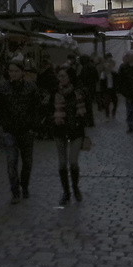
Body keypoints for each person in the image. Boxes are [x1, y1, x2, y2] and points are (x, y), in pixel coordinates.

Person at [0, 61, 42, 203]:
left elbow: (36, 109)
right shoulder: (3, 88)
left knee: (27, 163)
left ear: (22, 72)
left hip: (26, 130)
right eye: (10, 71)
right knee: (11, 162)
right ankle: (15, 191)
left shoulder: (31, 88)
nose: (12, 74)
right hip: (9, 130)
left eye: (15, 71)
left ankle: (24, 186)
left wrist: (34, 127)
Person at [44, 59, 93, 205]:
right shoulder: (54, 93)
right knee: (62, 163)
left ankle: (75, 188)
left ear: (70, 77)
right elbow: (48, 110)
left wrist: (85, 124)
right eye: (59, 76)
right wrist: (50, 122)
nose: (61, 79)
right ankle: (66, 192)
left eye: (63, 76)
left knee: (73, 162)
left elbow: (88, 110)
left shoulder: (79, 92)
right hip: (59, 129)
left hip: (76, 129)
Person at [115, 52, 133, 133]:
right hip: (129, 94)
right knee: (130, 112)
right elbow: (120, 80)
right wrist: (123, 91)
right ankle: (130, 126)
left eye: (129, 56)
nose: (127, 58)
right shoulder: (124, 67)